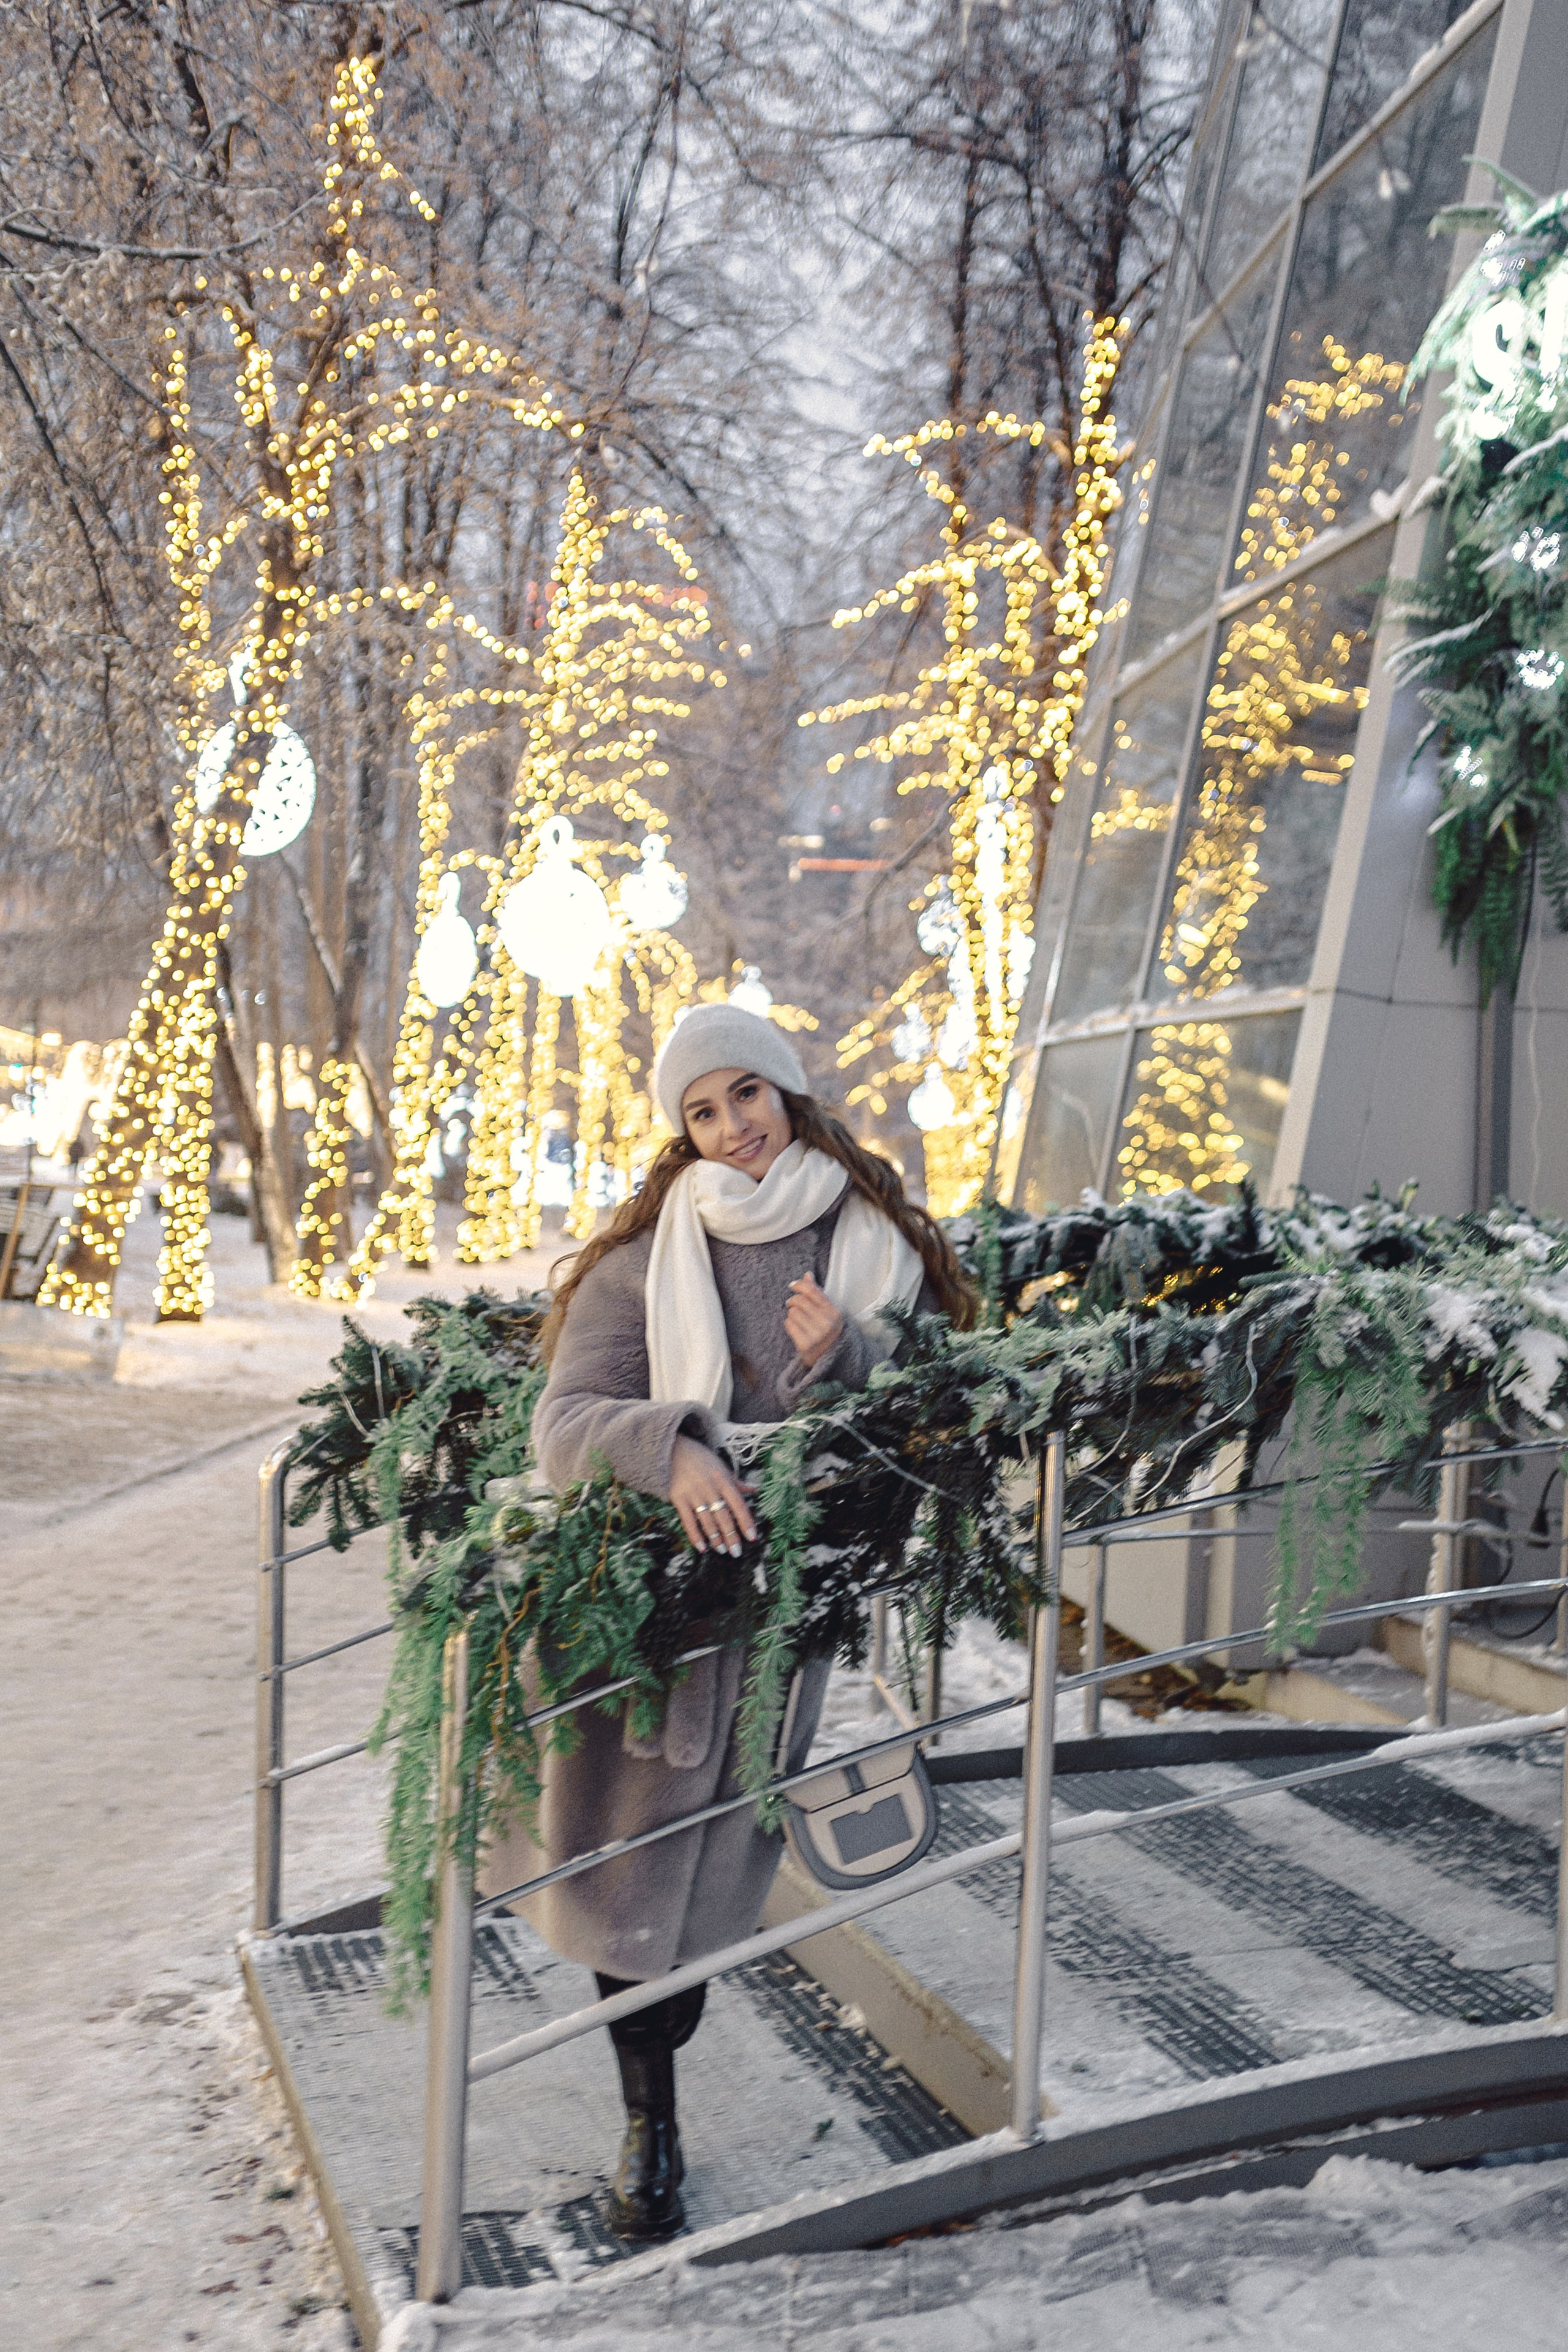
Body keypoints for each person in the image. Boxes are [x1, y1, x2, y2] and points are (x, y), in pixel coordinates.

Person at [478, 1001, 976, 2239]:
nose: (729, 1128)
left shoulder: (877, 1242)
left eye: (743, 1095)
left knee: (707, 1891)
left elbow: (934, 1412)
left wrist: (853, 1357)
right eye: (699, 1111)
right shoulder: (647, 1255)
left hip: (775, 1616)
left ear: (787, 1092)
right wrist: (673, 1450)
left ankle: (655, 2097)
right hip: (646, 1621)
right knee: (633, 1884)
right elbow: (565, 1422)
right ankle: (650, 2125)